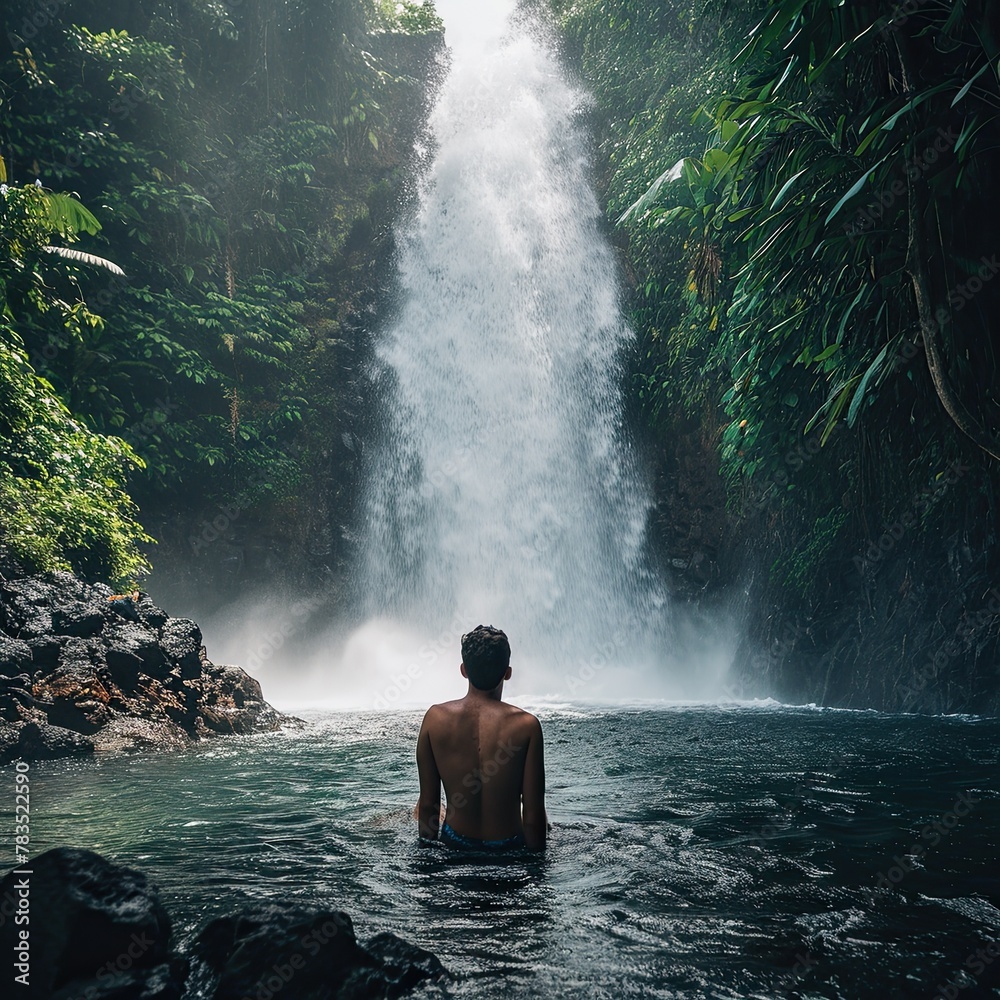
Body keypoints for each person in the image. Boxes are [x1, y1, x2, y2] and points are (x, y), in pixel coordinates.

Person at [414, 624, 547, 852]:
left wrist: (427, 858)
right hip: (510, 848)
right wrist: (537, 868)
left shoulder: (435, 719)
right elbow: (534, 815)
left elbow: (428, 805)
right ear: (508, 673)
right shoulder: (527, 726)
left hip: (455, 845)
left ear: (463, 670)